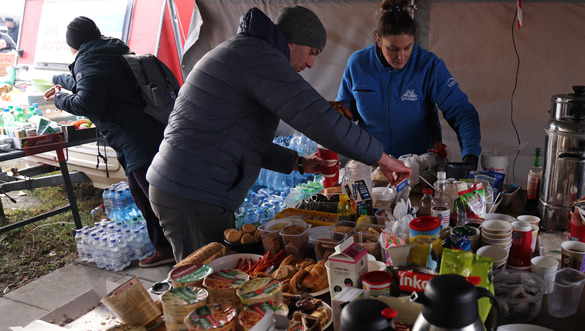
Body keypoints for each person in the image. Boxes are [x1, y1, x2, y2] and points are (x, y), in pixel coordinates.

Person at [146, 6, 411, 263]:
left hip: (190, 189)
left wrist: (298, 163)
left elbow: (240, 139)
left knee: (213, 280)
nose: (310, 63)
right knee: (204, 286)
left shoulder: (246, 52)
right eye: (312, 52)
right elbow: (318, 117)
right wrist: (382, 158)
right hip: (192, 193)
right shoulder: (258, 59)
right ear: (293, 42)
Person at [46, 16, 175, 267]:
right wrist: (61, 79)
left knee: (153, 197)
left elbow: (88, 102)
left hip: (133, 137)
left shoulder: (89, 59)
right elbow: (94, 84)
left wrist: (59, 100)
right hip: (148, 129)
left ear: (73, 43)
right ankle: (165, 245)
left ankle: (177, 247)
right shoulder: (112, 50)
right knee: (142, 192)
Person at [336, 0, 481, 162]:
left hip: (420, 165)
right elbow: (342, 113)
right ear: (378, 40)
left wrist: (470, 153)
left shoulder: (429, 65)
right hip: (372, 162)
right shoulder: (358, 64)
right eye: (393, 48)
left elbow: (461, 111)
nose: (401, 56)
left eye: (408, 47)